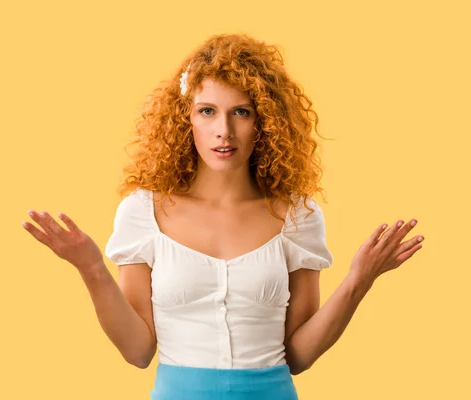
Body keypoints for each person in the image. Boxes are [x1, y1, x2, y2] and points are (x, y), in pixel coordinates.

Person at [21, 33, 425, 400]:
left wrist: (359, 280)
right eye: (208, 111)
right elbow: (138, 351)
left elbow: (298, 356)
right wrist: (91, 267)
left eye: (242, 113)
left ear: (265, 122)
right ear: (186, 119)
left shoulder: (298, 217)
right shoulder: (143, 213)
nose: (224, 132)